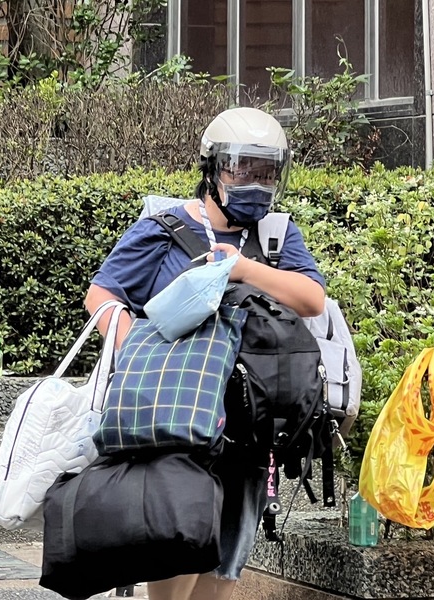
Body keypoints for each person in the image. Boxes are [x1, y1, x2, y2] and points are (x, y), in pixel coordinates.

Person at [84, 106, 326, 600]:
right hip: (177, 422)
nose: (255, 181)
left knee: (225, 563)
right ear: (212, 168)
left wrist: (241, 269)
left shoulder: (276, 236)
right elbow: (102, 294)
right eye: (243, 169)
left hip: (249, 429)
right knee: (178, 542)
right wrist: (134, 351)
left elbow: (311, 298)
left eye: (266, 171)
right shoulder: (165, 226)